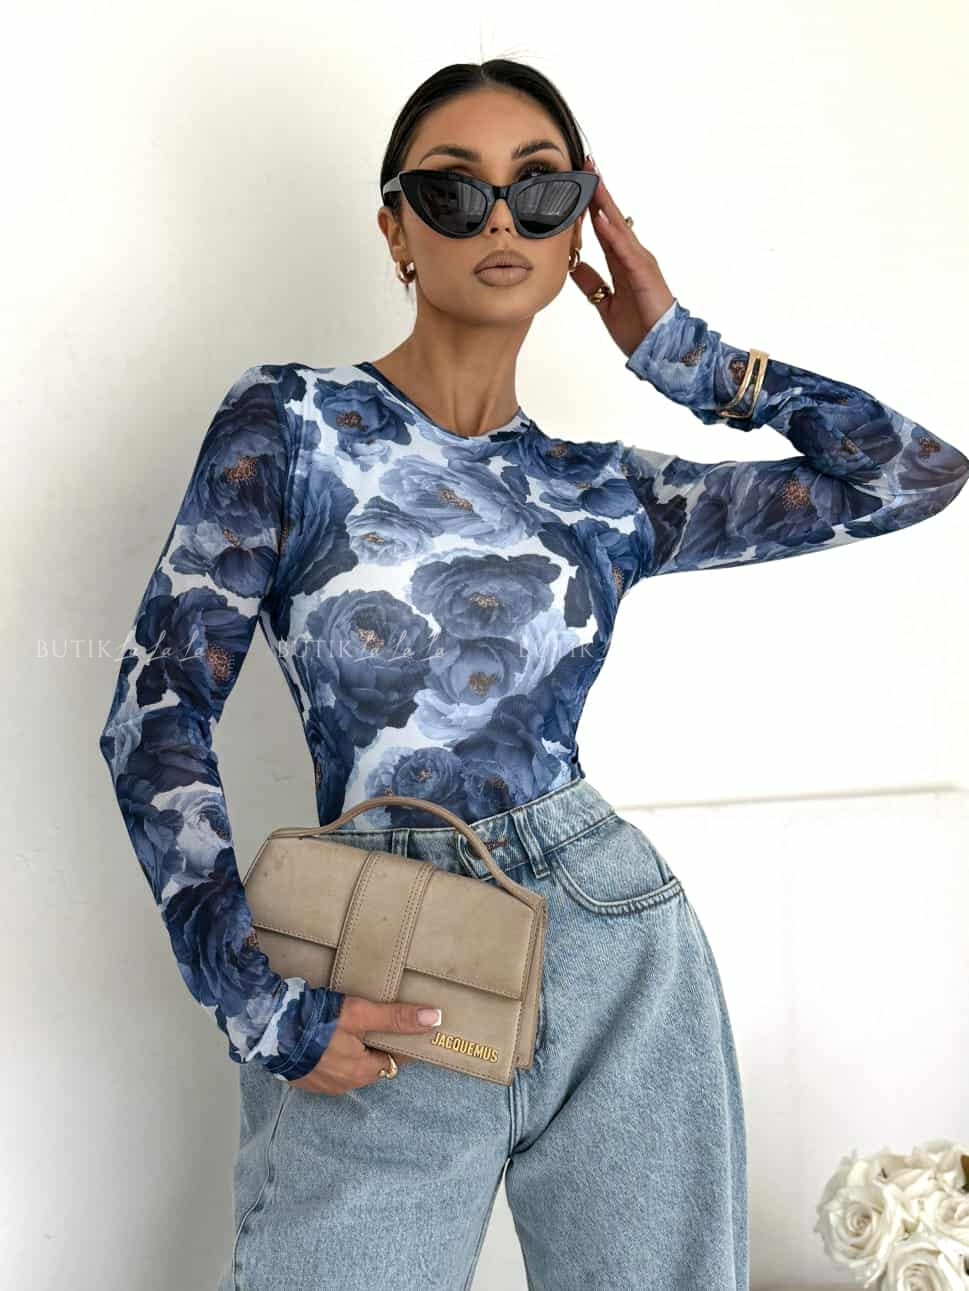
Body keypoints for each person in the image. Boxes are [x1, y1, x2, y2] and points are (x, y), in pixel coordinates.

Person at [98, 58, 969, 1291]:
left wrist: (685, 353)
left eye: (542, 189)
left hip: (614, 953)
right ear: (396, 232)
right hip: (376, 956)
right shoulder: (291, 423)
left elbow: (912, 474)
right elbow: (156, 708)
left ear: (579, 228)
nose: (499, 218)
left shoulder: (601, 491)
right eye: (453, 192)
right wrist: (256, 1002)